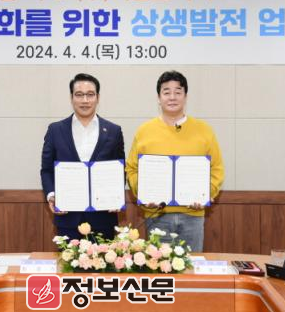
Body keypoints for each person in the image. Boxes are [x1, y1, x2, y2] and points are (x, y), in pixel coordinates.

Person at [126, 70, 224, 252]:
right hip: (157, 214)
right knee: (158, 266)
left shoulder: (204, 130)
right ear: (158, 97)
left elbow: (217, 168)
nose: (172, 97)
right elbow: (131, 168)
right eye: (166, 92)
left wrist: (205, 194)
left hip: (193, 215)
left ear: (185, 96)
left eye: (178, 92)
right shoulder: (144, 131)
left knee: (191, 265)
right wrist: (144, 193)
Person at [41, 73, 125, 241]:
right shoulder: (55, 130)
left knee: (105, 259)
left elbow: (119, 170)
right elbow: (47, 170)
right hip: (67, 217)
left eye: (90, 94)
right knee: (67, 259)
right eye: (79, 95)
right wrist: (51, 195)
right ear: (71, 97)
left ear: (98, 97)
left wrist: (116, 195)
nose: (85, 100)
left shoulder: (113, 131)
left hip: (103, 217)